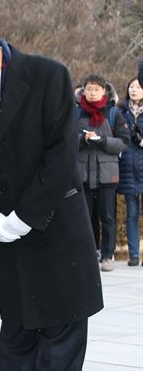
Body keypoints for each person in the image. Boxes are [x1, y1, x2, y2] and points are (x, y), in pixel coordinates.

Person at [0, 13, 104, 370]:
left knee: (60, 339)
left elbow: (60, 155)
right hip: (7, 236)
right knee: (16, 336)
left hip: (56, 226)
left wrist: (25, 217)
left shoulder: (48, 75)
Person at [77, 75, 129, 272]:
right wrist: (82, 139)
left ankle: (107, 255)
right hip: (83, 173)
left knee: (107, 217)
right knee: (86, 217)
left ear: (103, 91)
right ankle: (90, 253)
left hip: (107, 174)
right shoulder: (75, 111)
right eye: (88, 89)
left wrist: (102, 141)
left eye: (95, 89)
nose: (91, 93)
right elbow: (65, 139)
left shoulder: (114, 112)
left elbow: (124, 142)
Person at [117, 77, 143, 267]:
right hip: (127, 167)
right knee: (132, 213)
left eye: (138, 86)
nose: (134, 90)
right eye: (131, 86)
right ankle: (134, 254)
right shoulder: (120, 111)